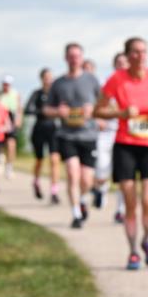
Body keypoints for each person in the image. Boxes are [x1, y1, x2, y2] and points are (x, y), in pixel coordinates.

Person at [95, 39, 148, 269]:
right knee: (130, 204)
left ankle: (147, 240)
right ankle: (133, 251)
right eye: (135, 52)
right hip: (125, 145)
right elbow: (99, 110)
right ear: (127, 55)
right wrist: (121, 112)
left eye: (144, 51)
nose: (140, 56)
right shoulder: (117, 80)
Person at [44, 43, 101, 229]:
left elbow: (105, 105)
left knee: (86, 179)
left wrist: (92, 110)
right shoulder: (58, 83)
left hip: (89, 135)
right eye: (71, 56)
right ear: (65, 58)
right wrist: (58, 111)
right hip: (67, 135)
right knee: (71, 172)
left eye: (77, 56)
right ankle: (76, 213)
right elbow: (46, 109)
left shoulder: (92, 80)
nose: (74, 59)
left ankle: (83, 199)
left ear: (82, 58)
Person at [92, 53, 130, 221]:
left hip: (126, 132)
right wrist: (99, 118)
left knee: (123, 173)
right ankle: (102, 188)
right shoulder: (106, 84)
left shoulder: (133, 85)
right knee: (102, 165)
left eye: (124, 62)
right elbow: (97, 107)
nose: (121, 65)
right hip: (106, 132)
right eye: (118, 63)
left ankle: (120, 210)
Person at [25, 68, 62, 204]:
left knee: (54, 159)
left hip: (53, 129)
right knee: (39, 159)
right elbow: (28, 109)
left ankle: (54, 191)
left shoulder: (57, 95)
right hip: (39, 129)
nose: (48, 80)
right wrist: (43, 111)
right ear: (41, 79)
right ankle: (36, 181)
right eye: (46, 77)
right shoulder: (37, 93)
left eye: (50, 77)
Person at [0, 75, 22, 179]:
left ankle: (9, 167)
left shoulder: (15, 94)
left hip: (11, 118)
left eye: (7, 84)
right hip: (0, 119)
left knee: (11, 144)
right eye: (4, 84)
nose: (6, 86)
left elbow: (19, 108)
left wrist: (18, 119)